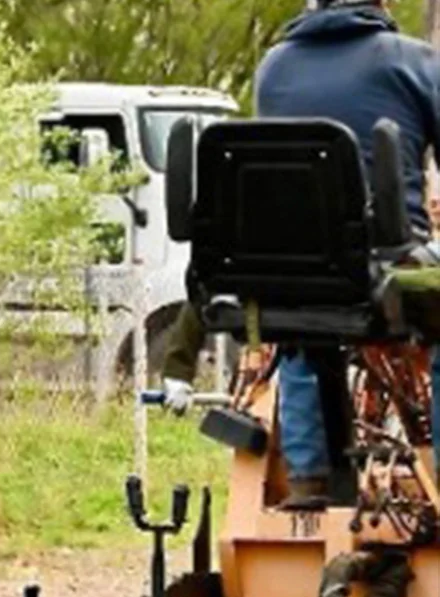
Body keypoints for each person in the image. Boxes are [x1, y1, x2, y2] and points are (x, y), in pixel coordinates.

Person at [161, 0, 440, 504]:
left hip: (293, 273)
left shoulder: (275, 66)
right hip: (386, 269)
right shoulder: (412, 61)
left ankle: (309, 476)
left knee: (298, 319)